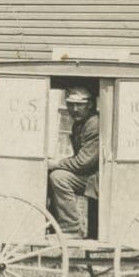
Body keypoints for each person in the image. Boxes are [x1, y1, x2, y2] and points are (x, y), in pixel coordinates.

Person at [48, 86, 100, 238]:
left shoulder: (93, 124)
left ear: (90, 105)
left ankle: (71, 229)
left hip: (98, 178)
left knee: (59, 177)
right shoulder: (80, 123)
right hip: (90, 175)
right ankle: (54, 226)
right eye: (70, 104)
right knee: (54, 173)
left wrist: (56, 164)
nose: (74, 109)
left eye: (79, 105)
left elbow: (83, 163)